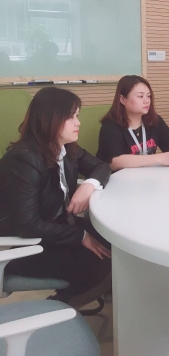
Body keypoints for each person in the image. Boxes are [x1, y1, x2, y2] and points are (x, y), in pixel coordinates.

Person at [0, 87, 112, 306]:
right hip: (23, 245)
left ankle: (73, 299)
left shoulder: (66, 148)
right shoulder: (24, 160)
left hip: (54, 230)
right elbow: (27, 225)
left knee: (110, 242)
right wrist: (80, 235)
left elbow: (102, 167)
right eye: (71, 117)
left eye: (77, 115)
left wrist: (88, 185)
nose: (78, 122)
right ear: (50, 119)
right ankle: (62, 306)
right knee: (98, 261)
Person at [97, 75, 169, 170]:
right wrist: (158, 158)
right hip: (120, 177)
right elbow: (115, 162)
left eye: (148, 96)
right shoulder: (110, 126)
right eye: (140, 96)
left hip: (148, 175)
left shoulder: (154, 120)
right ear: (123, 100)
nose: (147, 101)